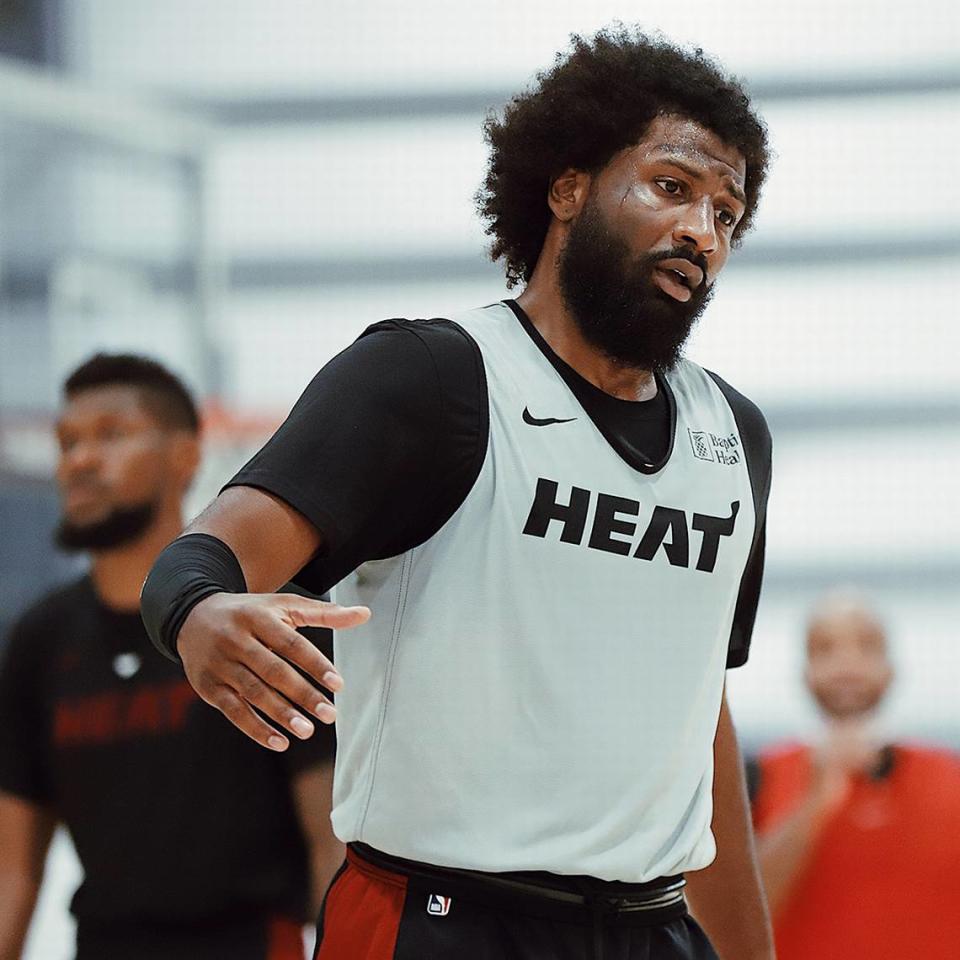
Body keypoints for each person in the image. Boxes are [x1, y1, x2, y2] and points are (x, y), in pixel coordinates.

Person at [142, 28, 775, 960]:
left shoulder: (736, 436)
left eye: (728, 213)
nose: (701, 232)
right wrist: (196, 613)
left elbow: (697, 711)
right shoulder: (433, 377)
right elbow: (207, 553)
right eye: (673, 188)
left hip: (652, 928)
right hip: (441, 919)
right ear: (566, 189)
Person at [0, 354, 341, 960]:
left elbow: (330, 840)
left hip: (251, 945)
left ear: (185, 455)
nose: (79, 459)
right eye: (67, 441)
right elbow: (12, 870)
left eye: (111, 435)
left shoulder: (264, 619)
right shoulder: (39, 640)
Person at [749, 592, 960, 960]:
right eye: (825, 649)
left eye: (866, 647)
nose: (847, 665)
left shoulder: (950, 777)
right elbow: (741, 914)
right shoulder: (757, 779)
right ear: (805, 673)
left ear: (890, 669)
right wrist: (814, 805)